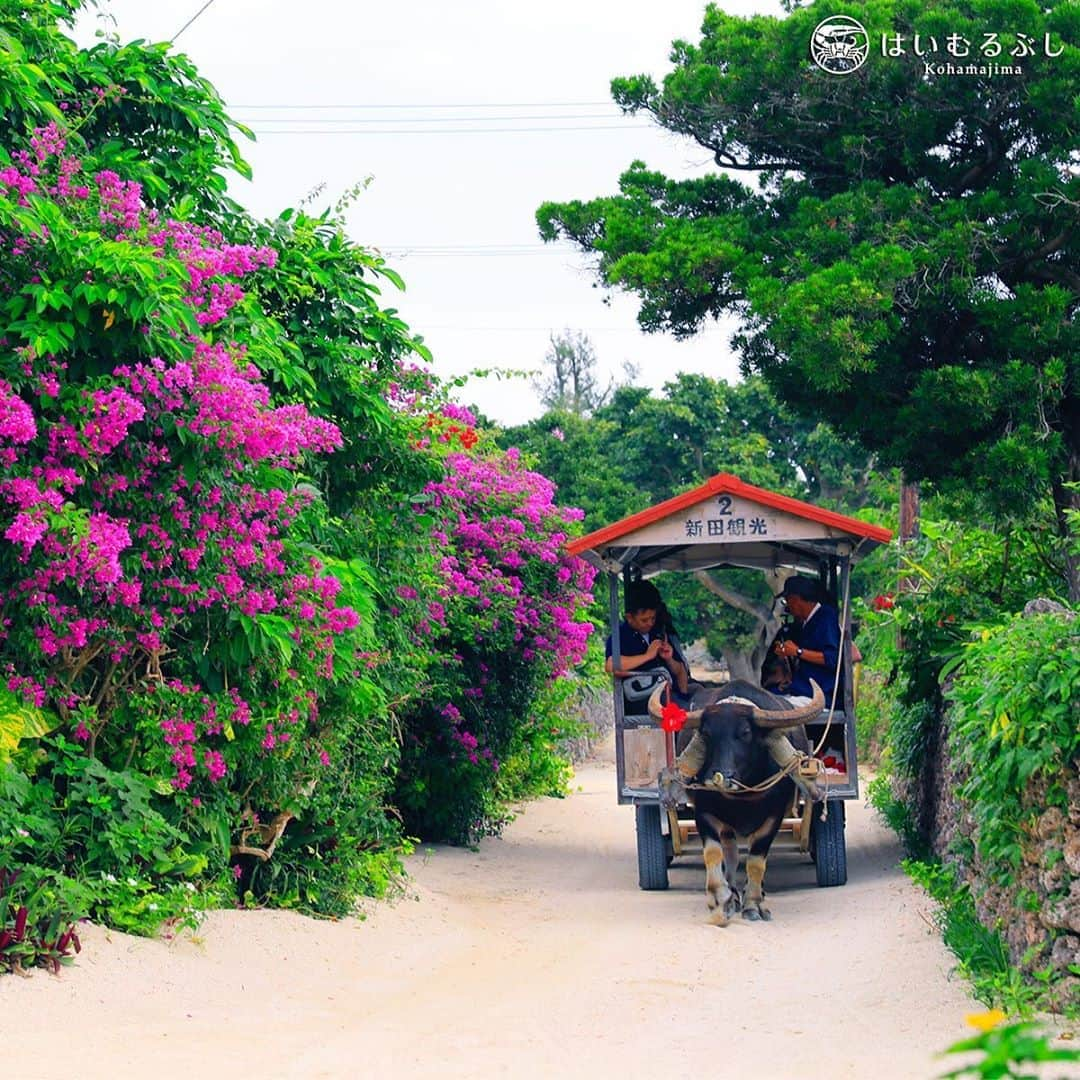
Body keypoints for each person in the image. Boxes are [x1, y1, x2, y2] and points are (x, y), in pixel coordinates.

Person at [605, 581, 690, 705]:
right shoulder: (620, 636)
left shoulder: (660, 631)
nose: (650, 623)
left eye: (653, 618)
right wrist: (647, 656)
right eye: (644, 620)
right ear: (629, 617)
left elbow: (680, 671)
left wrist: (669, 659)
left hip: (672, 698)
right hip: (642, 704)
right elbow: (611, 665)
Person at [772, 575, 842, 708]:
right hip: (801, 688)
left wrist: (797, 651)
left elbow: (832, 659)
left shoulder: (825, 617)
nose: (788, 608)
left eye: (787, 601)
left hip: (819, 694)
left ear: (795, 599)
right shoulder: (806, 623)